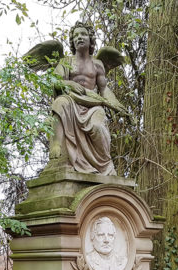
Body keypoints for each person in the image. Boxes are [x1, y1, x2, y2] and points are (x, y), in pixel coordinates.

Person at [49, 22, 128, 175]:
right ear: (72, 41)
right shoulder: (65, 62)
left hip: (92, 107)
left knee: (98, 127)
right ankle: (56, 144)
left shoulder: (97, 64)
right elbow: (55, 81)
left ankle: (104, 166)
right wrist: (69, 83)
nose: (79, 37)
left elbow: (104, 89)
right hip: (71, 101)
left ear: (91, 39)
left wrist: (116, 104)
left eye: (83, 34)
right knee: (60, 103)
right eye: (75, 35)